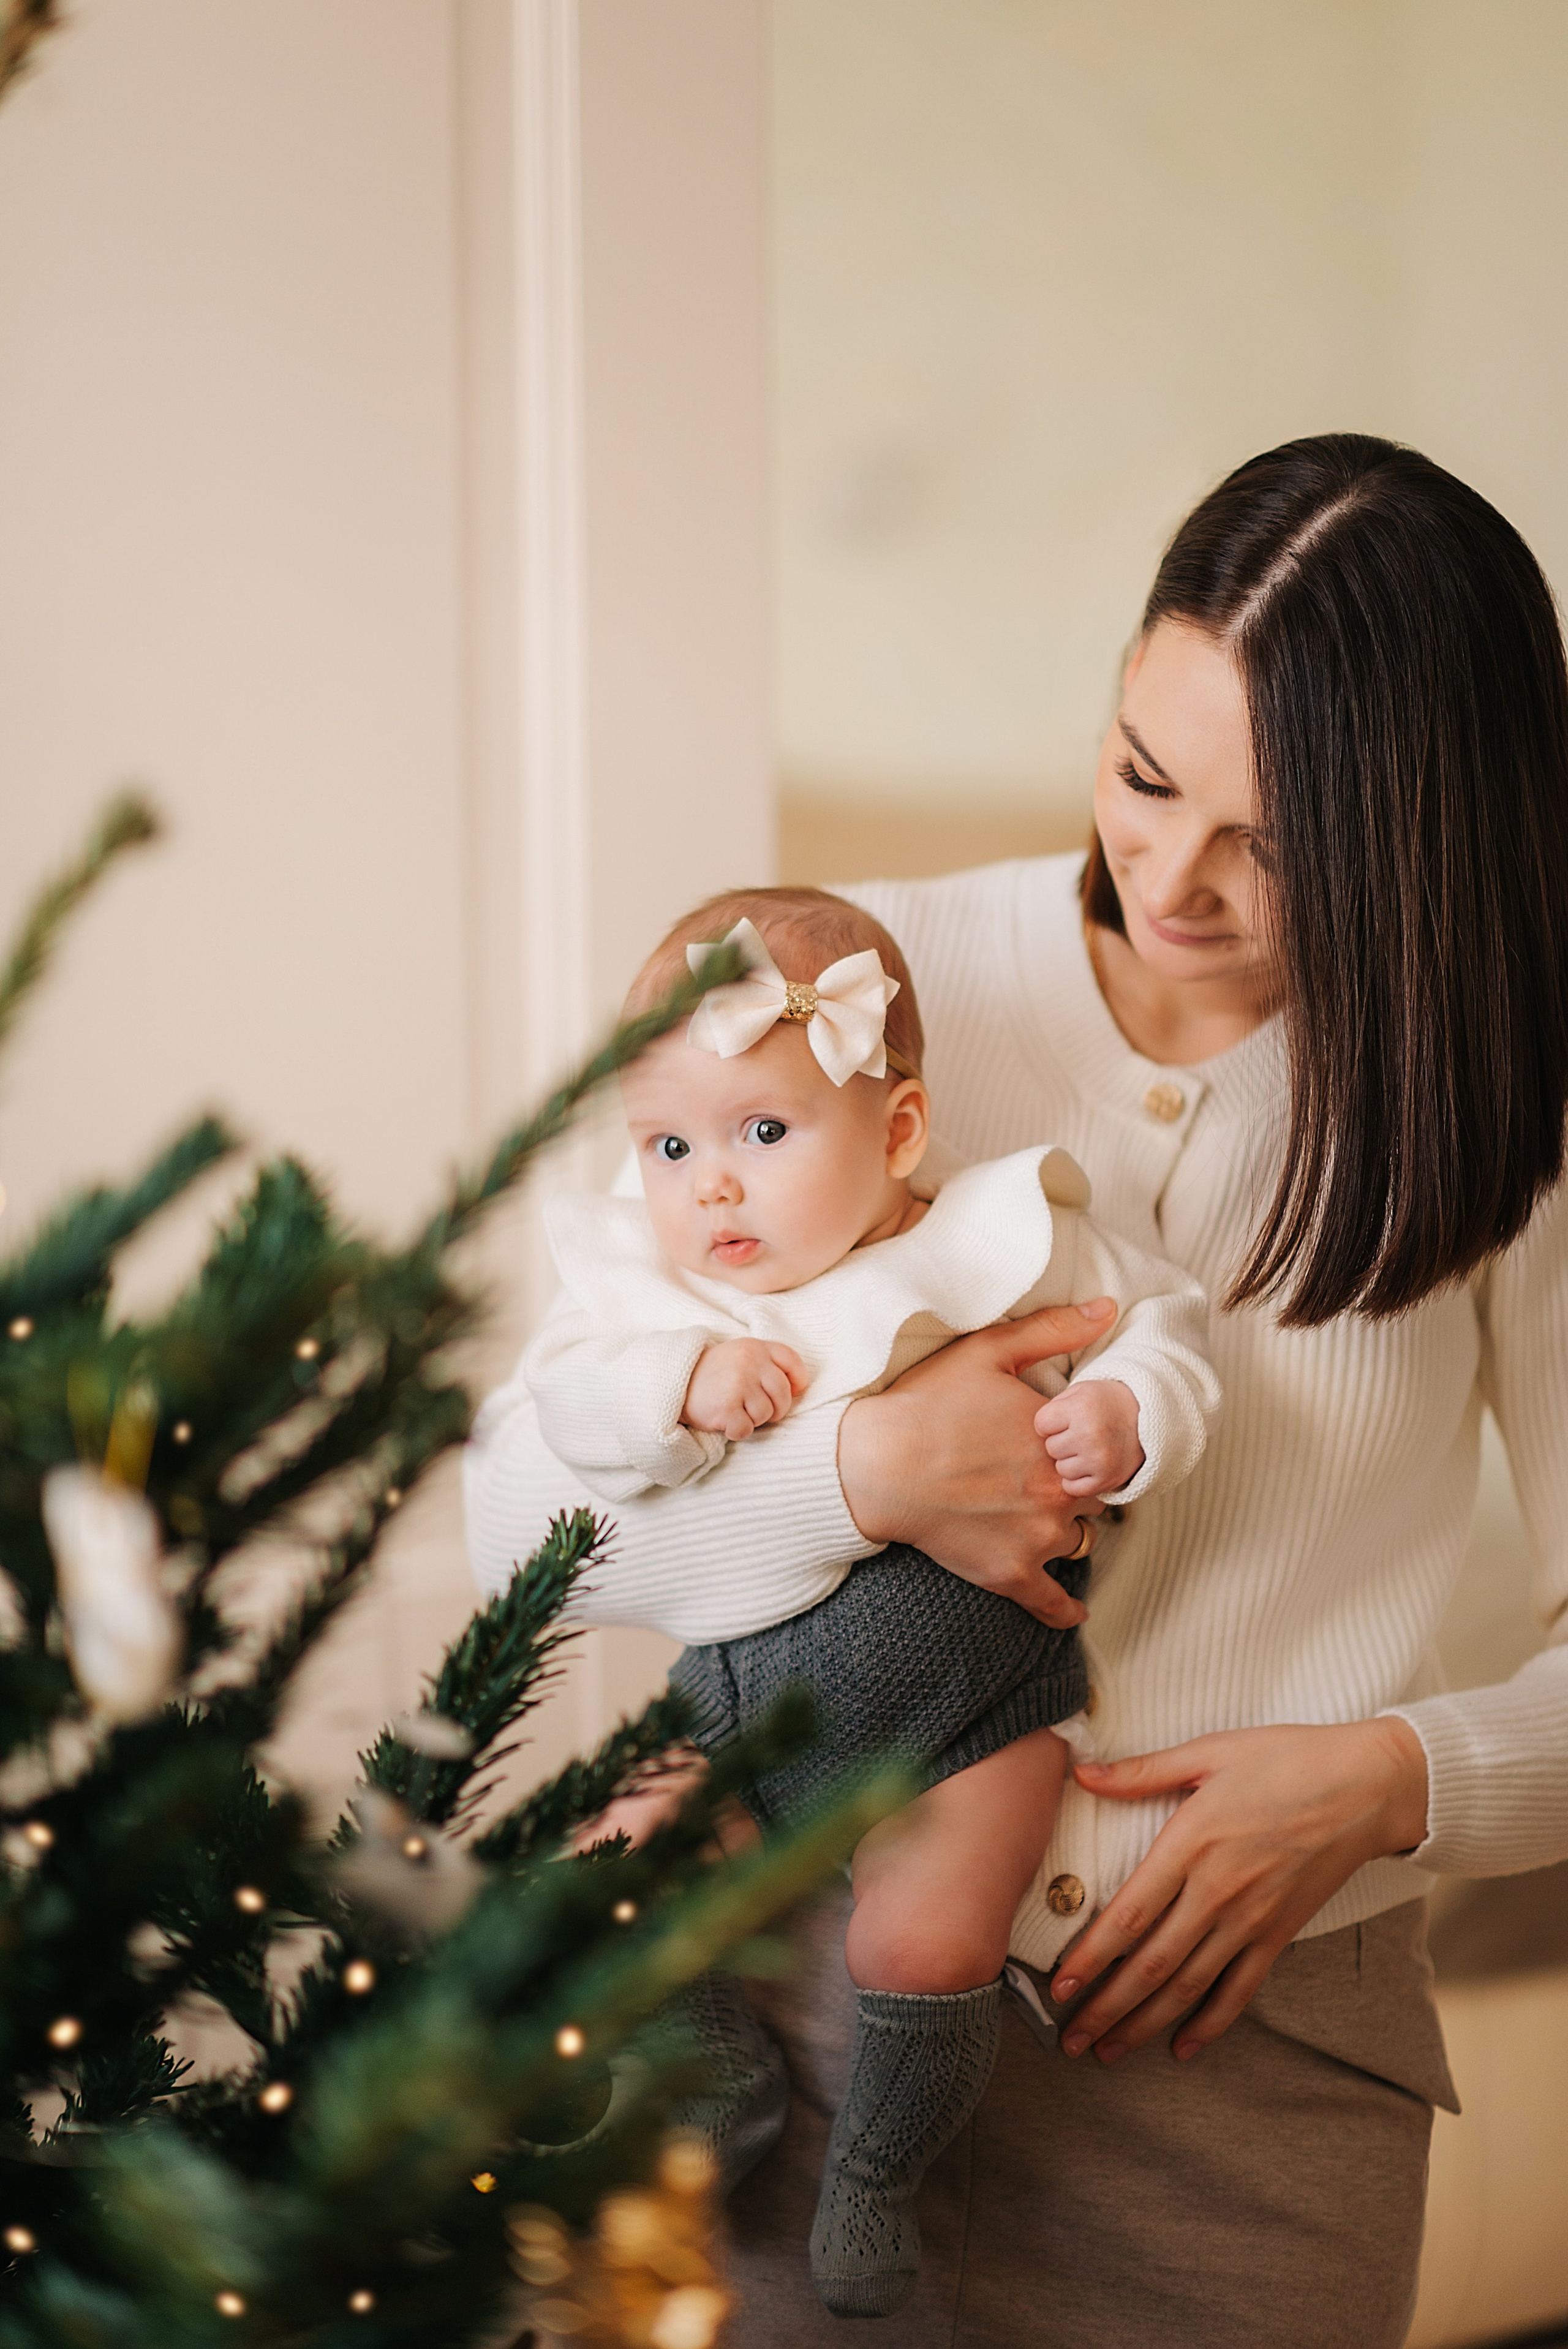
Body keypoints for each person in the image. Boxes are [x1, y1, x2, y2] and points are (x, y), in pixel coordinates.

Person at [465, 434, 1568, 2348]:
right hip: (787, 2047)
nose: (1177, 879)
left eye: (1282, 838)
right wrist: (861, 1473)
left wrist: (1393, 1783)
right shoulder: (849, 985)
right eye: (1144, 779)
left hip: (1254, 2092)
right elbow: (512, 1510)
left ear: (1431, 828)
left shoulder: (1517, 1118)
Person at [520, 891, 1219, 2316]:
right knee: (603, 1858)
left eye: (760, 1135)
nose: (708, 1187)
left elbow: (1166, 1330)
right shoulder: (659, 1299)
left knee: (930, 1937)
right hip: (737, 1705)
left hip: (978, 1706)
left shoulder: (1001, 1236)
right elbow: (564, 1414)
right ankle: (713, 2088)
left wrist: (1124, 1412)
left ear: (895, 1132)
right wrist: (672, 1391)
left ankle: (876, 2173)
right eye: (669, 1146)